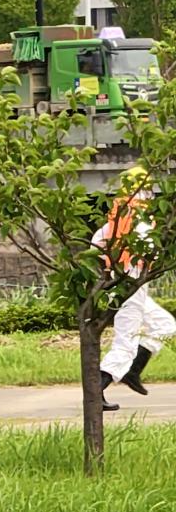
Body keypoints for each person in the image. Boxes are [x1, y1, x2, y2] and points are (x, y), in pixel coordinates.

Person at [97, 167, 174, 411]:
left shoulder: (117, 215)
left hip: (123, 283)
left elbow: (96, 243)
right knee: (125, 342)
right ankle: (96, 393)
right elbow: (152, 251)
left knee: (165, 325)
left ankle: (133, 371)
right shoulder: (140, 220)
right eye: (148, 188)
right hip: (132, 284)